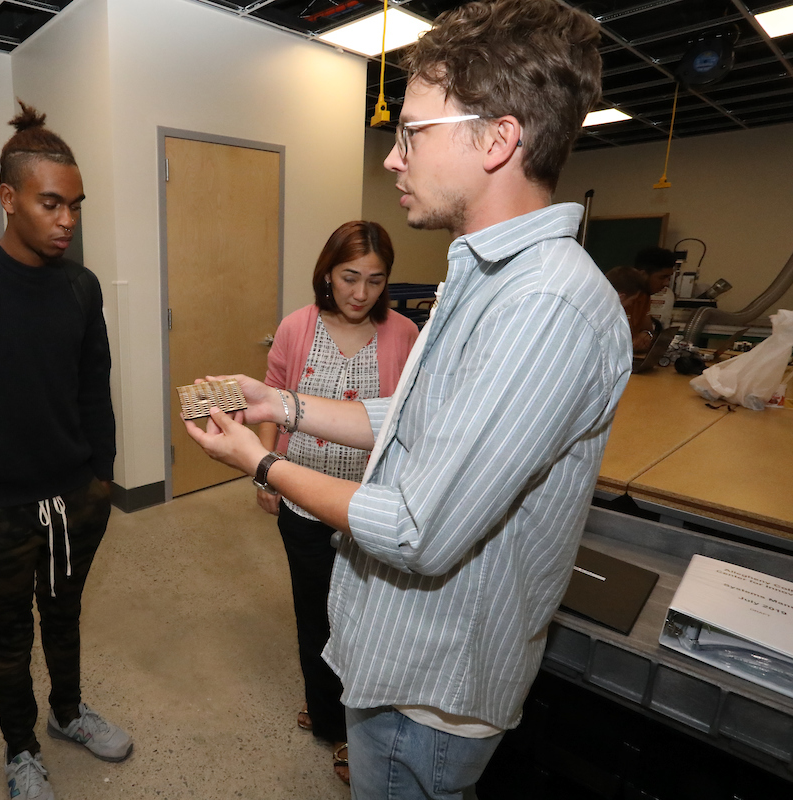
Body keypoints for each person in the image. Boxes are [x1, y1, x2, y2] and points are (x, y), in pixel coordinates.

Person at [184, 1, 631, 797]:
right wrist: (278, 407)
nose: (392, 158)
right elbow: (412, 420)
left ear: (497, 138)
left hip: (433, 686)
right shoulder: (484, 277)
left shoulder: (543, 305)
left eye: (412, 132)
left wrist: (259, 467)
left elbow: (418, 527)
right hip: (400, 655)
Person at [0, 102, 129, 800]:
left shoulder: (81, 286)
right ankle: (20, 749)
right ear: (8, 199)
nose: (67, 218)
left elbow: (94, 389)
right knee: (7, 635)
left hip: (75, 497)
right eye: (50, 203)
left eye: (75, 204)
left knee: (63, 615)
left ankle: (68, 712)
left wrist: (101, 477)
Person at [258, 220, 417, 785]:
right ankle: (327, 715)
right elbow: (276, 400)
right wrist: (266, 476)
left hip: (368, 508)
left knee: (364, 622)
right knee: (314, 615)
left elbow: (407, 425)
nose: (360, 293)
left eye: (375, 281)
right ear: (328, 272)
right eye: (349, 277)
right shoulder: (296, 327)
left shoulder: (403, 334)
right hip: (302, 496)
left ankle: (357, 731)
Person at [605, 266, 656, 353]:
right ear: (620, 297)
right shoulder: (600, 316)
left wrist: (646, 335)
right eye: (632, 300)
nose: (631, 304)